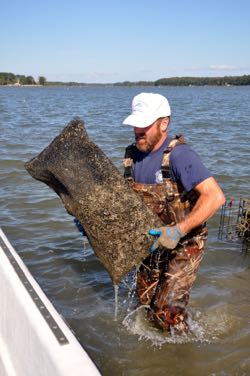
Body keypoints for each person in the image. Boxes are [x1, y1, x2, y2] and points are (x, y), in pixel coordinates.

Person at [122, 92, 225, 334]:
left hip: (185, 242)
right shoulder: (131, 156)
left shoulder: (179, 155)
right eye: (135, 123)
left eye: (144, 124)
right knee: (144, 307)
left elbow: (215, 197)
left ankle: (186, 353)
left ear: (163, 123)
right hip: (152, 242)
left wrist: (178, 230)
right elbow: (126, 202)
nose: (138, 130)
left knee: (166, 313)